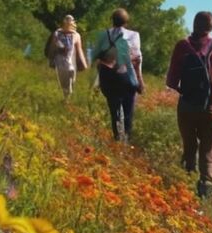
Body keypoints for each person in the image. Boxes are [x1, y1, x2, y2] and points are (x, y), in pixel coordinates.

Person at [165, 11, 212, 198]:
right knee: (208, 150)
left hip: (187, 106)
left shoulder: (183, 46)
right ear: (211, 27)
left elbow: (171, 81)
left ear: (194, 24)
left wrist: (182, 90)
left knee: (189, 146)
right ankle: (206, 190)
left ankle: (185, 182)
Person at [94, 8, 144, 141]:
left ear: (112, 20)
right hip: (126, 75)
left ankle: (117, 137)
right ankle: (126, 137)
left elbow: (97, 58)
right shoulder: (134, 35)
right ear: (126, 21)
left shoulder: (103, 34)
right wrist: (140, 80)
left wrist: (98, 80)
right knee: (128, 110)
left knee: (114, 108)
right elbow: (137, 59)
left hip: (108, 76)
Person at [48, 15, 88, 99]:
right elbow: (52, 47)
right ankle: (66, 101)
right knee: (67, 86)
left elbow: (79, 50)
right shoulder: (58, 33)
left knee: (69, 84)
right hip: (65, 64)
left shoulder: (75, 35)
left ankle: (67, 100)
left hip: (67, 64)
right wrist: (51, 59)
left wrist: (83, 63)